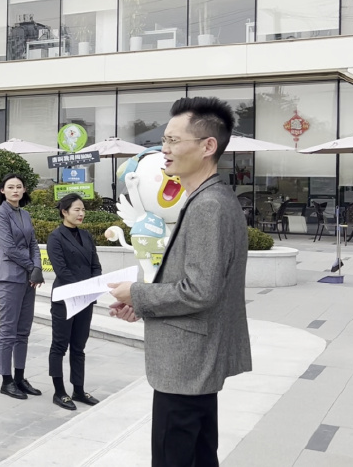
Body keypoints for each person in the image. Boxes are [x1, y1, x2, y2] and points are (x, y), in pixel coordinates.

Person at [108, 97, 252, 466]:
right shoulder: (208, 199)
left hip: (186, 366)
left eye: (173, 140)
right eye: (163, 141)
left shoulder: (208, 206)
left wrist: (137, 293)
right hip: (194, 363)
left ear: (208, 146)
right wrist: (141, 304)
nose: (164, 150)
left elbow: (200, 291)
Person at [47, 193, 102, 410]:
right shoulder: (55, 237)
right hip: (65, 298)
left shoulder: (86, 236)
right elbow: (61, 270)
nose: (81, 214)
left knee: (79, 346)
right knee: (59, 345)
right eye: (77, 210)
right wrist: (83, 288)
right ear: (64, 212)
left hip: (86, 299)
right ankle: (59, 392)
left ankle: (78, 390)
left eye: (83, 210)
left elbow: (95, 265)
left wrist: (94, 284)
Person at [0, 173, 44, 400]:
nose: (15, 190)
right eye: (10, 187)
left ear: (24, 190)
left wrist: (37, 267)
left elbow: (33, 243)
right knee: (8, 331)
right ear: (2, 190)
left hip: (28, 278)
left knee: (23, 331)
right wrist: (32, 267)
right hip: (10, 277)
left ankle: (20, 377)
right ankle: (6, 380)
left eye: (19, 187)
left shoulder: (25, 214)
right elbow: (9, 248)